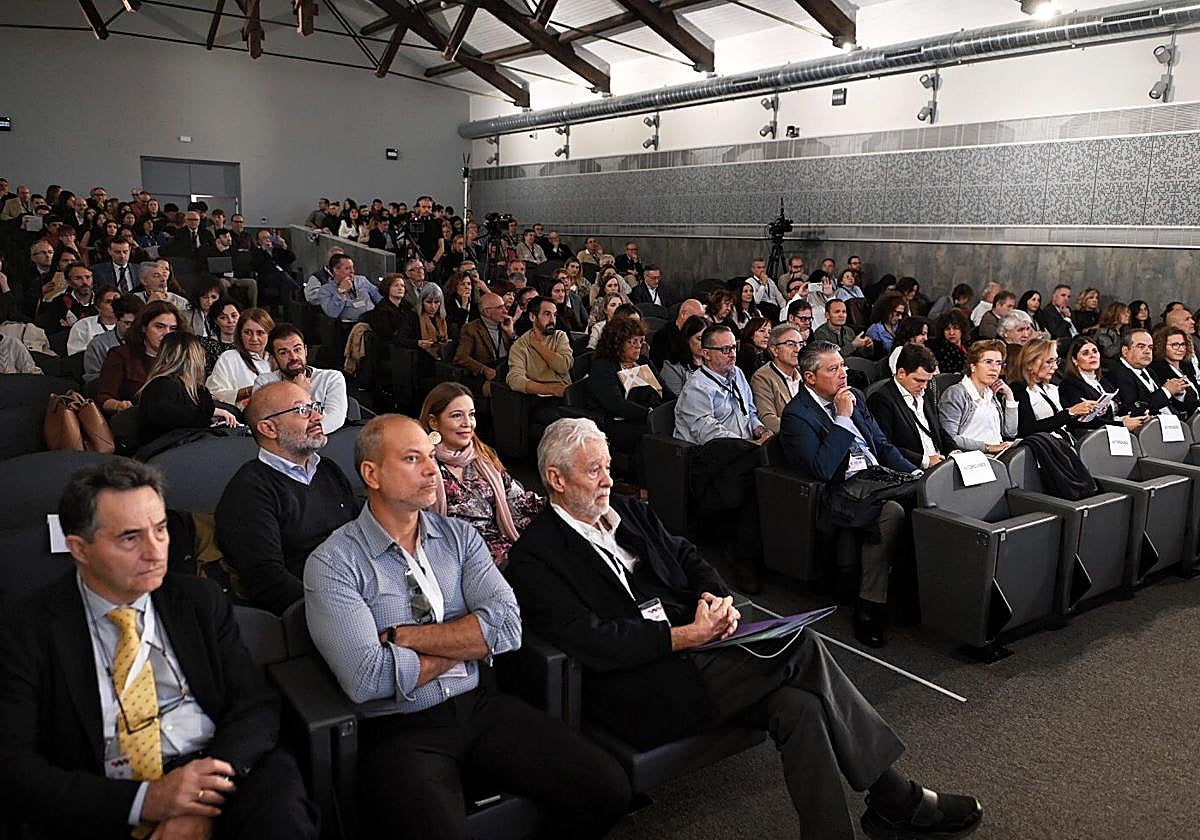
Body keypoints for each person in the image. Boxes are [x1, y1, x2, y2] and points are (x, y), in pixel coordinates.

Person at [507, 418, 983, 840]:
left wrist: (717, 599)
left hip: (701, 653)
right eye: (594, 471)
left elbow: (689, 556)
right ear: (555, 479)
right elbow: (592, 640)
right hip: (641, 685)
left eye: (608, 466)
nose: (609, 480)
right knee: (801, 646)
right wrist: (683, 637)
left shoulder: (628, 512)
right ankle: (894, 795)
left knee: (799, 706)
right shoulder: (538, 555)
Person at [304, 415, 631, 837]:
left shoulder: (460, 537)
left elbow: (508, 629)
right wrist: (469, 638)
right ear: (372, 473)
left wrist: (403, 639)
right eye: (411, 459)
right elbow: (368, 678)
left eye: (429, 457)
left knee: (608, 789)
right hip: (400, 730)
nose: (431, 469)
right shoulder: (333, 563)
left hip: (479, 705)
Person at [0, 459, 319, 839]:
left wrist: (197, 797)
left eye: (162, 529)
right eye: (130, 538)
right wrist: (148, 800)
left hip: (219, 769)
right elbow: (14, 769)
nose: (156, 552)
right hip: (105, 793)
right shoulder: (26, 632)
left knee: (280, 803)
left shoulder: (198, 600)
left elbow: (254, 705)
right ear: (79, 549)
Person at [779, 341, 919, 646]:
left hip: (877, 479)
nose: (844, 373)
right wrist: (842, 418)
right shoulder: (797, 415)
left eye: (843, 365)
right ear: (810, 378)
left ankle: (913, 593)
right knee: (891, 512)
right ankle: (867, 607)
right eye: (833, 369)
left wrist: (915, 473)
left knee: (925, 497)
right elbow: (823, 470)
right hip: (839, 492)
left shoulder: (854, 395)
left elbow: (881, 445)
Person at [215, 381, 358, 614]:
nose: (317, 417)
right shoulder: (249, 491)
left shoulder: (327, 469)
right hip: (319, 612)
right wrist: (340, 609)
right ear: (269, 429)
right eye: (302, 410)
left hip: (360, 588)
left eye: (315, 407)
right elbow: (268, 581)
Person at [674, 324, 772, 591]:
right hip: (708, 461)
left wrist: (760, 430)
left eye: (734, 348)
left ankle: (760, 551)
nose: (732, 354)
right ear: (706, 354)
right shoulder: (696, 388)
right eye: (725, 349)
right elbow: (711, 434)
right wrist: (753, 444)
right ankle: (744, 558)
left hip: (744, 452)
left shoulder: (738, 374)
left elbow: (749, 411)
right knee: (759, 470)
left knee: (763, 470)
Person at [420, 383, 544, 567]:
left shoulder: (484, 459)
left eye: (471, 415)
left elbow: (518, 501)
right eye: (456, 416)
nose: (467, 423)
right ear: (434, 422)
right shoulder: (422, 468)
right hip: (458, 560)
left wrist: (563, 505)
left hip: (503, 553)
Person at [586, 316, 667, 478]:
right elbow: (615, 404)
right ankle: (646, 489)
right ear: (617, 343)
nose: (638, 347)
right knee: (649, 435)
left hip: (646, 416)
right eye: (632, 342)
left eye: (640, 341)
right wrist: (649, 414)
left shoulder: (644, 361)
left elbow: (665, 390)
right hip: (614, 422)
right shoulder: (603, 367)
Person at [137, 332, 239, 445]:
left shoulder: (199, 389)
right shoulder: (161, 385)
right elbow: (167, 415)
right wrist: (211, 413)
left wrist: (212, 417)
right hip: (166, 448)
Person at [868, 343, 953, 470]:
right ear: (901, 373)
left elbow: (937, 429)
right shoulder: (881, 399)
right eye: (919, 380)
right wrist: (925, 460)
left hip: (941, 464)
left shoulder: (926, 393)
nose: (924, 386)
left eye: (927, 381)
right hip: (912, 470)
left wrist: (953, 450)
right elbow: (885, 447)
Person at [252, 323, 349, 433]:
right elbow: (263, 420)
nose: (293, 357)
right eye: (284, 353)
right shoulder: (264, 383)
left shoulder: (331, 378)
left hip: (324, 441)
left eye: (297, 350)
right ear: (274, 358)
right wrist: (297, 391)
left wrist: (304, 434)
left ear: (306, 351)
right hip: (283, 447)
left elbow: (335, 418)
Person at [97, 300, 185, 416]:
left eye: (173, 328)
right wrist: (119, 406)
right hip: (137, 421)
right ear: (144, 327)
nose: (167, 333)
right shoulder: (121, 355)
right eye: (159, 327)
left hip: (179, 421)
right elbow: (104, 398)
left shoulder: (181, 356)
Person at [937, 340, 1018, 454]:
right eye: (988, 362)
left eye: (998, 363)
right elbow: (950, 437)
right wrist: (988, 447)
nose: (995, 368)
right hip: (972, 459)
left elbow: (1010, 433)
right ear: (973, 366)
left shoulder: (990, 394)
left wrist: (1009, 396)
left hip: (998, 456)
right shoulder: (956, 393)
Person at [1058, 335, 1149, 433]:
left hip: (1114, 433)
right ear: (1074, 360)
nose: (1092, 355)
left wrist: (1137, 413)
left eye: (1095, 351)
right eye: (1085, 353)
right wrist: (1121, 424)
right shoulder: (1069, 385)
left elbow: (1119, 408)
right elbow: (1081, 422)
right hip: (1091, 436)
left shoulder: (1104, 381)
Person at [1010, 338, 1097, 437]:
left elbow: (1066, 421)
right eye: (1049, 362)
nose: (1055, 367)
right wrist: (1071, 412)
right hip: (1045, 447)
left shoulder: (1051, 388)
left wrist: (1088, 411)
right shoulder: (1018, 390)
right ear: (1030, 363)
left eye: (1056, 361)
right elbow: (1028, 429)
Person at [507, 297, 573, 424]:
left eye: (554, 315)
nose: (552, 320)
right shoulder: (520, 346)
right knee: (567, 422)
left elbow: (563, 366)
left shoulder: (560, 336)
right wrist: (551, 389)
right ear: (533, 317)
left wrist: (538, 345)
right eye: (547, 314)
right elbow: (514, 379)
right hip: (540, 399)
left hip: (566, 394)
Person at [1105, 328, 1189, 418]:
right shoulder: (1118, 374)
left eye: (1150, 347)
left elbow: (1166, 404)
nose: (1147, 351)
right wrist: (1166, 391)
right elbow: (1134, 408)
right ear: (1125, 351)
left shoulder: (1149, 371)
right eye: (1141, 346)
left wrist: (1178, 393)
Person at [206, 308, 275, 408]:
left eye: (260, 333)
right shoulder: (229, 358)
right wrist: (248, 391)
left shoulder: (275, 359)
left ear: (269, 334)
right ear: (240, 334)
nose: (254, 339)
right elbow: (213, 394)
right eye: (248, 332)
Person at [749, 323, 804, 434]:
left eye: (801, 344)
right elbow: (768, 419)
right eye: (791, 344)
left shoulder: (804, 374)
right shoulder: (762, 378)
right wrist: (804, 431)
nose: (798, 349)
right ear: (775, 350)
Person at [36, 261, 97, 337]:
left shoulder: (102, 300)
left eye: (88, 277)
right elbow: (52, 332)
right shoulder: (59, 303)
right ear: (68, 282)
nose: (85, 282)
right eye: (78, 278)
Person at [1150, 326, 1200, 418]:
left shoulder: (1186, 367)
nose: (1180, 349)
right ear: (1161, 346)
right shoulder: (1158, 371)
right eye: (1174, 345)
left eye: (1183, 344)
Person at [316, 254, 382, 323]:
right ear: (336, 270)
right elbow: (332, 313)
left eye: (352, 267)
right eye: (347, 268)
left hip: (374, 321)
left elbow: (379, 297)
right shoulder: (325, 290)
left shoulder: (362, 280)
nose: (352, 271)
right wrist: (341, 291)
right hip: (350, 326)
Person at [660, 314, 708, 397]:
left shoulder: (713, 362)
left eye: (706, 339)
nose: (704, 343)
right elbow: (673, 402)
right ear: (687, 339)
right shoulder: (672, 367)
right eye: (699, 339)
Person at [649, 298, 703, 368]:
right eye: (697, 318)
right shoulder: (663, 336)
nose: (701, 323)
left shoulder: (696, 335)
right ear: (683, 314)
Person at [68, 285, 121, 355]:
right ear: (98, 307)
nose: (115, 305)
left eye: (118, 301)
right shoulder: (83, 326)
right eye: (109, 302)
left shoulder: (130, 324)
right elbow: (76, 357)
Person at [199, 297, 239, 374]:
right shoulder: (206, 344)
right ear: (215, 321)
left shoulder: (248, 343)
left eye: (234, 316)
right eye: (223, 317)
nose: (230, 321)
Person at [927, 309, 971, 376]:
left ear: (962, 329)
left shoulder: (969, 345)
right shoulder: (941, 351)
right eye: (947, 329)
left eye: (955, 328)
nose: (951, 333)